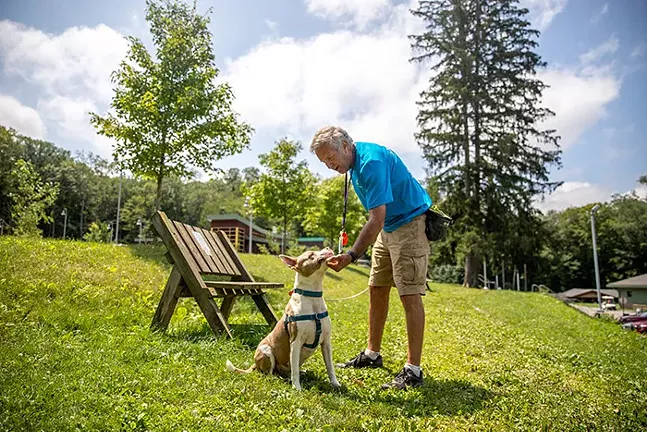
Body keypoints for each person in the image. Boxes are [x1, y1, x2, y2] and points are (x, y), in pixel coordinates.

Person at [310, 125, 432, 390]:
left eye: (330, 158)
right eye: (324, 162)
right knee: (377, 288)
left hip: (409, 224)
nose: (329, 165)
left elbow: (376, 218)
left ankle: (413, 371)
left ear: (345, 146)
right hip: (388, 228)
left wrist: (351, 255)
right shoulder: (352, 165)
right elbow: (379, 220)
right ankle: (372, 355)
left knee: (409, 293)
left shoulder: (371, 162)